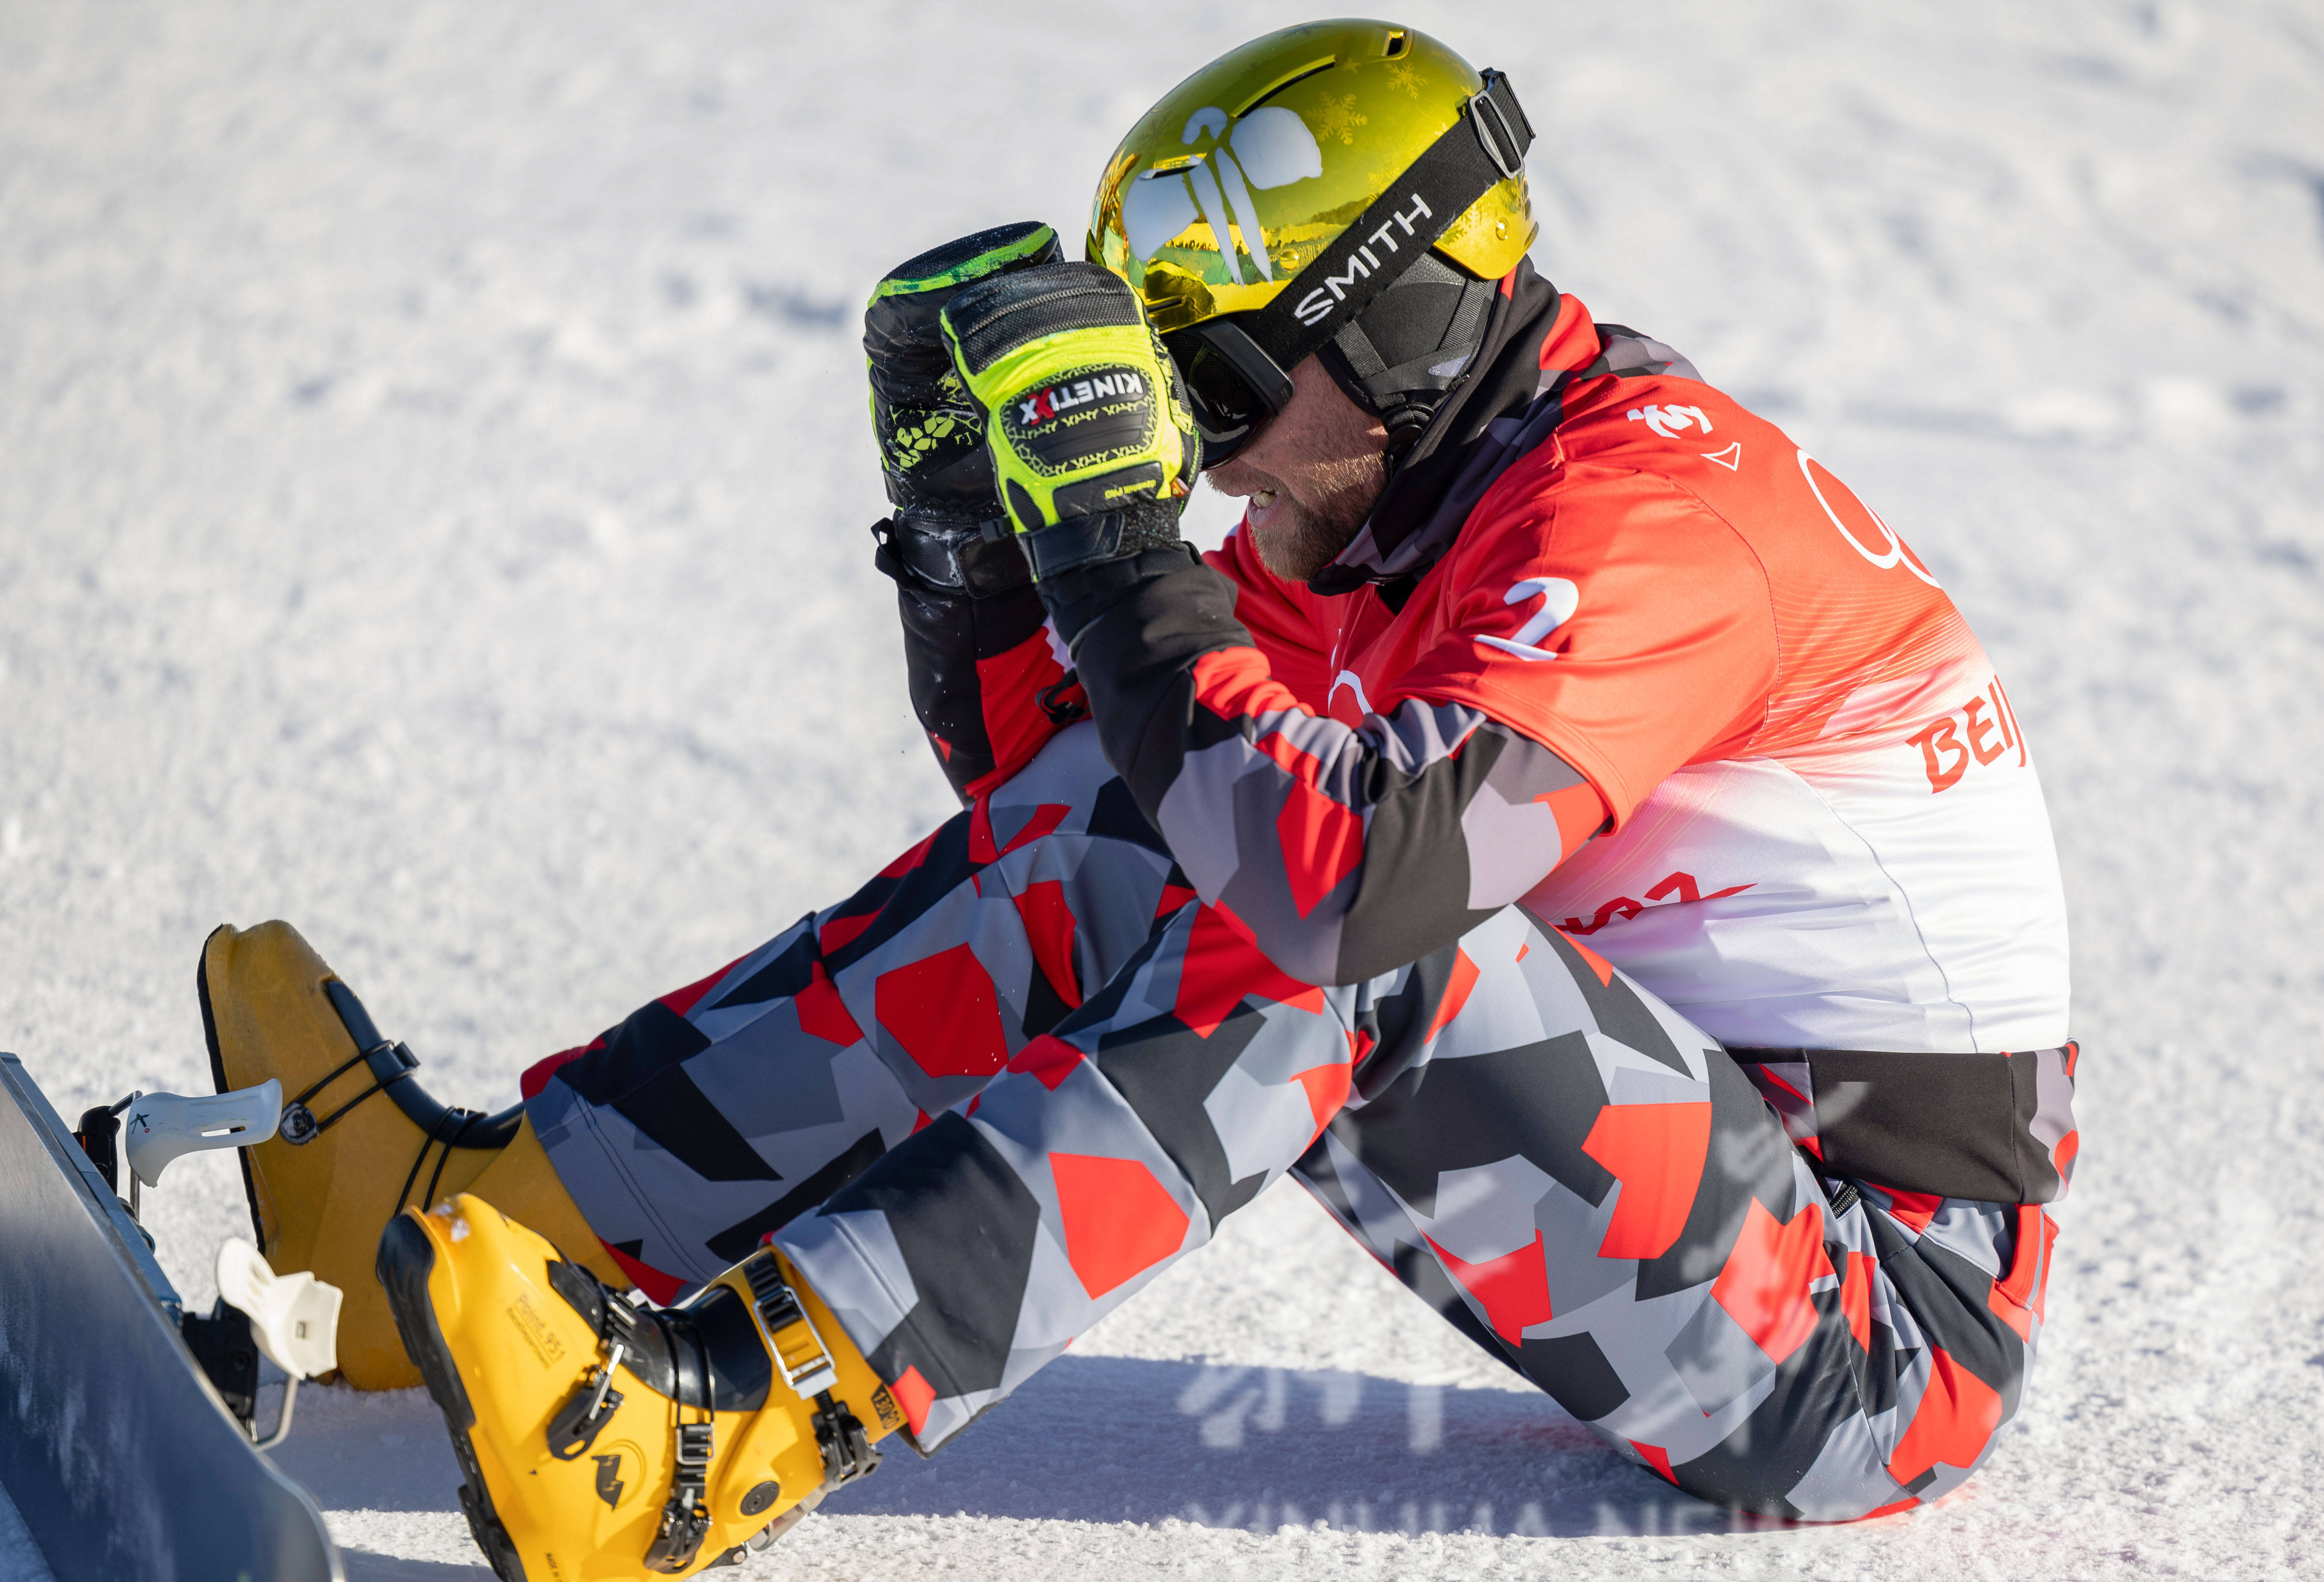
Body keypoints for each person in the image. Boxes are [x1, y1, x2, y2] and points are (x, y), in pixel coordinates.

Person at [203, 21, 2076, 1578]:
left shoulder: (1657, 517)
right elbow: (1081, 815)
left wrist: (1111, 542)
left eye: (1225, 373)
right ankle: (501, 1214)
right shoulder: (1393, 499)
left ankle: (717, 1435)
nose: (1203, 441)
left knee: (1350, 925)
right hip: (1692, 1210)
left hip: (1868, 1337)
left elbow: (1345, 894)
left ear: (1405, 316)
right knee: (1191, 802)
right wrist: (977, 541)